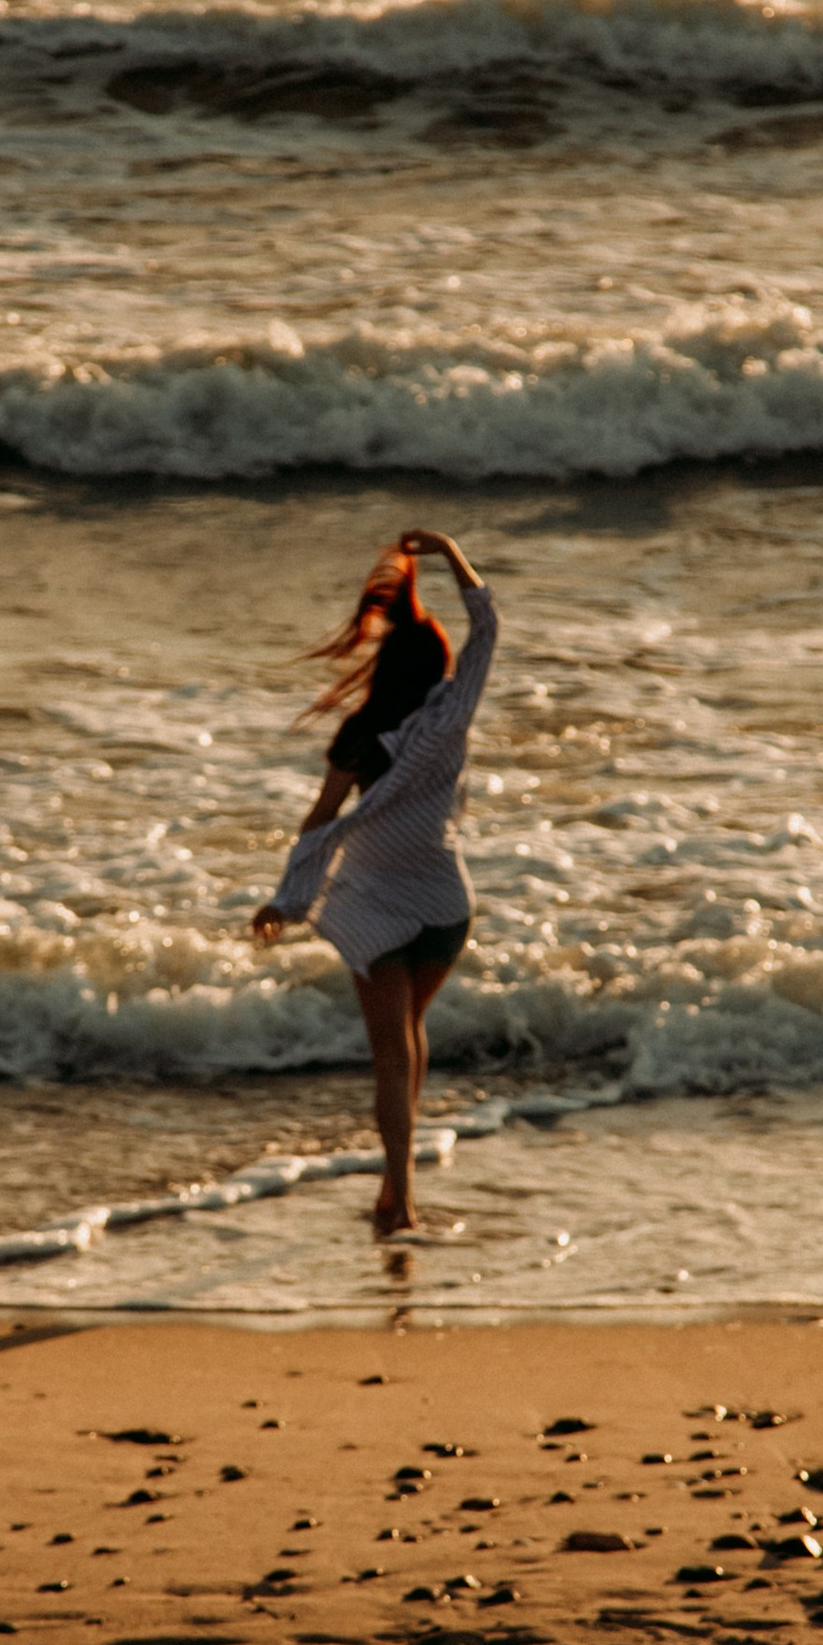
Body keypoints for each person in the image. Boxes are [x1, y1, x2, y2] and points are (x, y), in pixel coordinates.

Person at [252, 526, 496, 1237]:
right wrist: (450, 552)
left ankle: (403, 1198)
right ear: (436, 669)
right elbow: (488, 626)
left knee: (390, 1054)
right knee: (410, 1037)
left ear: (385, 666)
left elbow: (320, 820)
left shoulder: (358, 739)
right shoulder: (451, 716)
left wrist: (289, 900)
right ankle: (397, 1191)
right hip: (446, 902)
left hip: (373, 906)